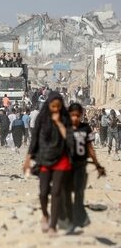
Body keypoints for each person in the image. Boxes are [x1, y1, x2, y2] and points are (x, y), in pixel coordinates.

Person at [23, 92, 73, 234]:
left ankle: (53, 225)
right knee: (43, 192)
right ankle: (45, 215)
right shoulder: (42, 118)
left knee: (56, 192)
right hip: (44, 158)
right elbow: (34, 140)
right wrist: (28, 159)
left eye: (58, 106)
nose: (56, 108)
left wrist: (58, 122)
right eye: (53, 106)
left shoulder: (64, 118)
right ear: (48, 105)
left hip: (61, 159)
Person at [61, 103, 106, 232]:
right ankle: (70, 222)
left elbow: (90, 148)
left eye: (77, 115)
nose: (75, 118)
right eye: (72, 115)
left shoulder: (86, 128)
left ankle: (78, 221)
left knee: (79, 194)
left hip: (80, 167)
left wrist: (98, 165)